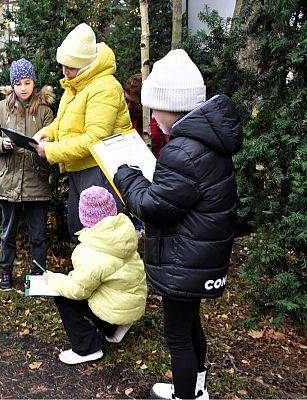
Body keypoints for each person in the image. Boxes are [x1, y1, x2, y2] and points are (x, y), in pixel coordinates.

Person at [113, 49, 243, 400]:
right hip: (200, 254)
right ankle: (196, 389)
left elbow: (153, 206)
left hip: (185, 258)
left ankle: (185, 395)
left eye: (155, 108)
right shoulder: (206, 142)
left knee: (177, 336)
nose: (153, 116)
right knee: (190, 325)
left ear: (172, 106)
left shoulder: (182, 150)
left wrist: (127, 176)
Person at [31, 23, 134, 239]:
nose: (65, 71)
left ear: (86, 64)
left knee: (99, 237)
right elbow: (63, 121)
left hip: (99, 170)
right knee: (80, 232)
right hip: (79, 168)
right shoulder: (75, 83)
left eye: (71, 66)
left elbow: (94, 139)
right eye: (63, 66)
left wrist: (50, 151)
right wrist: (47, 133)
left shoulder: (105, 87)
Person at [43, 186, 147, 365]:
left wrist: (53, 279)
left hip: (115, 307)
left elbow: (77, 290)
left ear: (83, 216)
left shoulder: (91, 251)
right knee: (99, 284)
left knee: (64, 298)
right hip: (132, 304)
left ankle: (87, 349)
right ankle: (114, 329)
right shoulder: (123, 235)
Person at [0, 59, 55, 291]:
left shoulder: (45, 111)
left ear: (34, 83)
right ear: (11, 85)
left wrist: (43, 146)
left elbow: (54, 139)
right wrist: (1, 144)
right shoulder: (0, 108)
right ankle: (5, 272)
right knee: (8, 232)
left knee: (38, 234)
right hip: (8, 181)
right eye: (18, 83)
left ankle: (38, 274)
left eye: (27, 82)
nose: (23, 88)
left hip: (37, 181)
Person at [123, 73, 166, 158]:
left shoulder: (154, 123)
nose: (128, 106)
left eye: (133, 103)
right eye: (126, 100)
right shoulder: (129, 113)